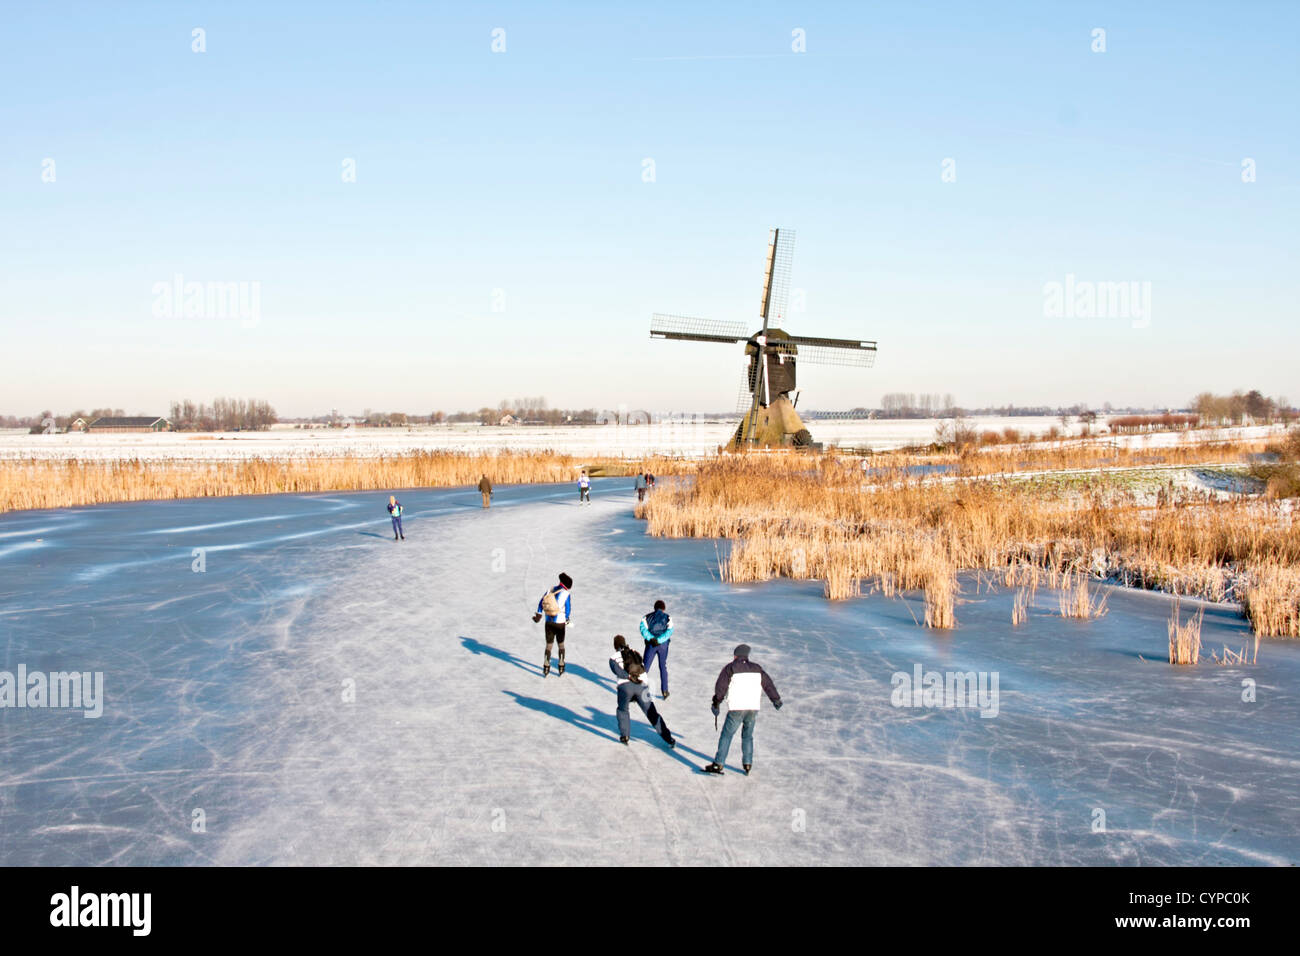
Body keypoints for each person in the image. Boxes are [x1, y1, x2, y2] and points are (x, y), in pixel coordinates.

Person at [702, 644, 782, 776]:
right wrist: (776, 700)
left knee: (727, 736)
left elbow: (721, 686)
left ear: (735, 655)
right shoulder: (757, 668)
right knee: (748, 736)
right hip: (752, 708)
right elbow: (768, 684)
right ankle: (748, 764)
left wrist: (716, 703)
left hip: (737, 708)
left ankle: (718, 763)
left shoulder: (731, 668)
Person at [609, 635, 674, 748]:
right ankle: (669, 738)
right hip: (641, 686)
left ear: (615, 646)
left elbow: (618, 672)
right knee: (652, 713)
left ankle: (625, 736)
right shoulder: (634, 652)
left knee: (623, 710)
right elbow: (643, 668)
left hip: (625, 688)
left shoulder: (613, 658)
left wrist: (628, 676)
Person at [533, 572, 573, 677]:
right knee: (561, 644)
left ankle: (546, 665)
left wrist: (538, 615)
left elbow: (541, 602)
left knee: (549, 645)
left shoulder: (550, 590)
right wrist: (567, 619)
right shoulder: (566, 593)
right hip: (560, 623)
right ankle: (561, 664)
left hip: (548, 622)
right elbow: (568, 609)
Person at [638, 599, 673, 699]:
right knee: (663, 666)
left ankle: (638, 689)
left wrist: (652, 639)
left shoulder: (646, 617)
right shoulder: (668, 617)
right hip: (663, 645)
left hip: (651, 645)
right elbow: (670, 631)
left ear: (654, 608)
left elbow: (642, 629)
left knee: (645, 667)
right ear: (664, 608)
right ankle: (665, 691)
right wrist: (660, 640)